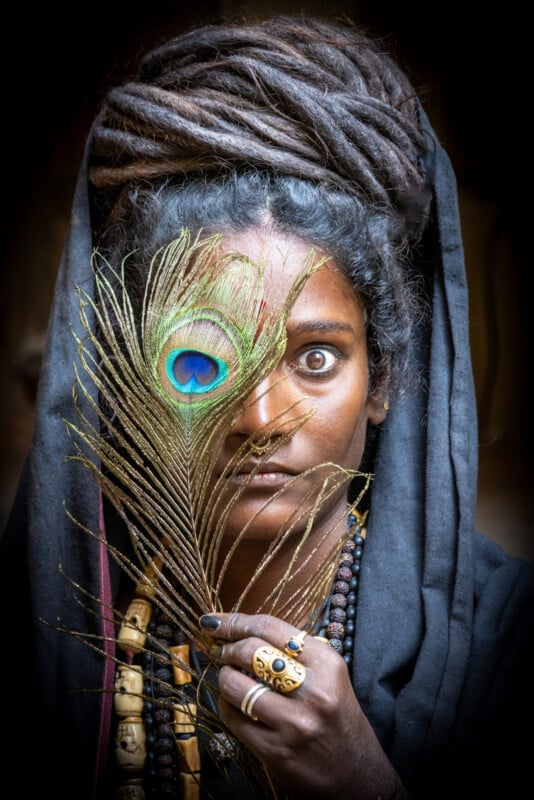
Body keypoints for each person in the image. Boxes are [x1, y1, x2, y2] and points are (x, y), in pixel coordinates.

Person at [1, 14, 533, 800]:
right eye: (199, 363)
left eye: (315, 358)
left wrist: (361, 779)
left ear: (381, 380)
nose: (258, 417)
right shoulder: (38, 630)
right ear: (135, 378)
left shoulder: (508, 640)